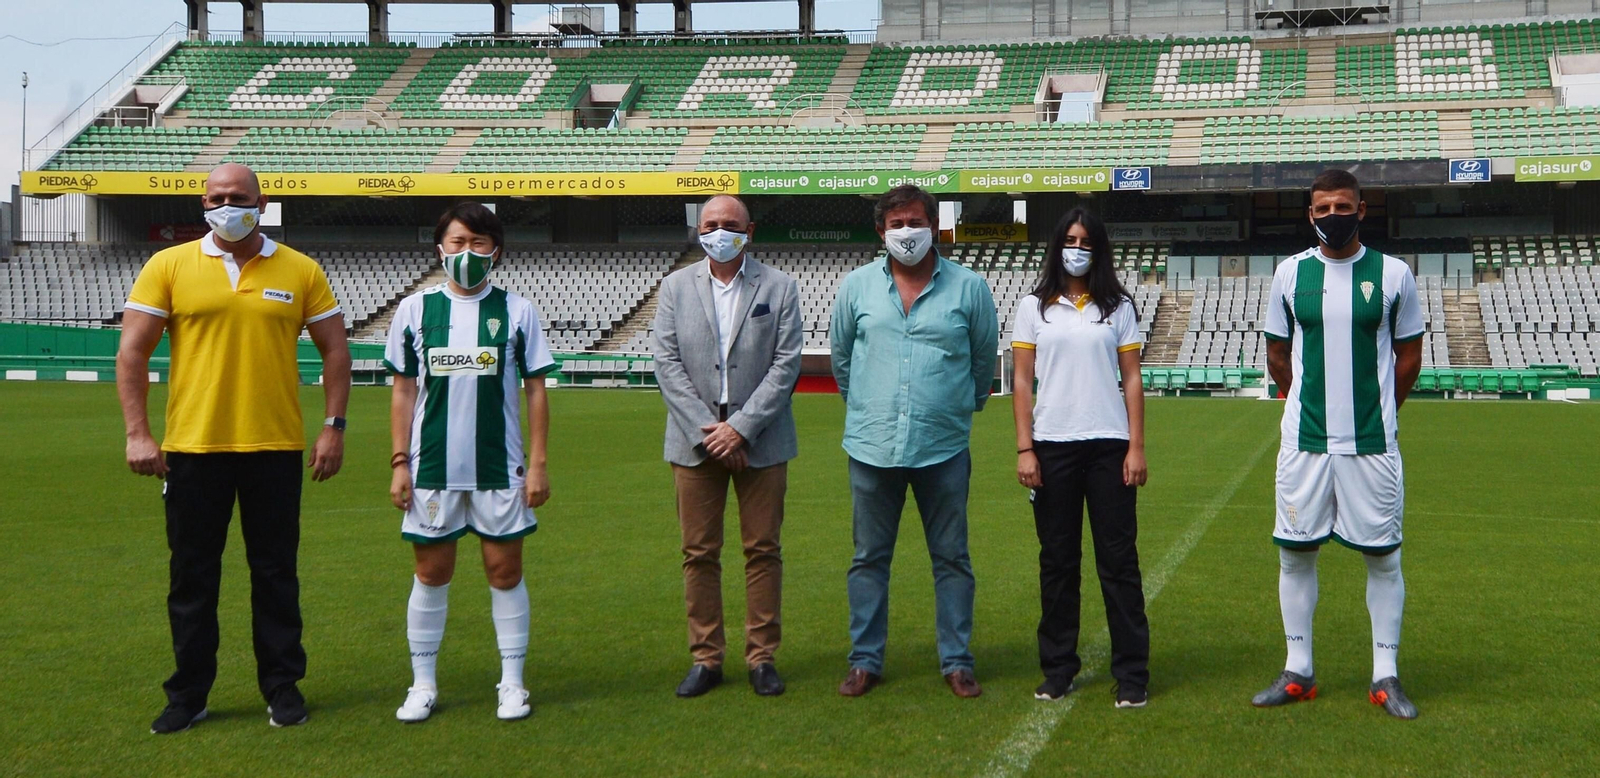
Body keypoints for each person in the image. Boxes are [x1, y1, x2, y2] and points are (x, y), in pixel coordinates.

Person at [118, 162, 351, 734]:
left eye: (238, 196)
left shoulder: (300, 270)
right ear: (203, 203)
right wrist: (138, 433)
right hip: (193, 449)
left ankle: (282, 687)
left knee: (275, 573)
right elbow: (132, 354)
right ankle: (188, 694)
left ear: (261, 201)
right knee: (192, 576)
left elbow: (336, 352)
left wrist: (334, 426)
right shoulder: (168, 266)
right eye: (217, 196)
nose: (228, 205)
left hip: (274, 446)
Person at [1253, 169, 1424, 719]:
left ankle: (1385, 675)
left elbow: (1409, 358)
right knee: (1296, 552)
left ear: (1361, 208)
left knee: (1384, 560)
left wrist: (1378, 413)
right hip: (1304, 442)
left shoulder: (1394, 275)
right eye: (1322, 208)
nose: (1333, 216)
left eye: (1342, 206)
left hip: (1372, 444)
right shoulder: (1289, 274)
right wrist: (1303, 404)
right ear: (1310, 214)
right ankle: (1298, 670)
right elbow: (1278, 355)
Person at [385, 202, 556, 723]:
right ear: (440, 248)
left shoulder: (519, 311)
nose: (466, 252)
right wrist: (398, 462)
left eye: (477, 243)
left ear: (495, 251)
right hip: (431, 467)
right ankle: (423, 683)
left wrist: (540, 462)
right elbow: (403, 390)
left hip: (499, 468)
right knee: (430, 572)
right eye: (457, 242)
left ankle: (512, 683)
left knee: (504, 571)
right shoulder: (415, 310)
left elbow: (535, 390)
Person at [830, 184, 999, 699]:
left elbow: (982, 361)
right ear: (881, 232)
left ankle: (957, 661)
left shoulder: (969, 288)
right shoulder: (855, 288)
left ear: (935, 226)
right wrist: (868, 408)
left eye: (916, 222)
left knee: (951, 558)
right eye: (897, 224)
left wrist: (950, 410)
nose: (907, 232)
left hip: (942, 446)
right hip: (872, 446)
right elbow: (842, 362)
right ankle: (864, 661)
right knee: (868, 558)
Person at [651, 194, 802, 698]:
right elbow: (666, 365)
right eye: (711, 223)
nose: (719, 231)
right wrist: (710, 431)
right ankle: (706, 658)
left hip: (761, 438)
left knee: (763, 550)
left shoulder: (779, 287)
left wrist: (740, 428)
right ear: (699, 229)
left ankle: (762, 657)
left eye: (730, 224)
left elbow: (785, 366)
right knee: (699, 553)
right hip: (695, 442)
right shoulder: (674, 287)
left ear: (749, 230)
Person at [1011, 208, 1151, 708]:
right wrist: (1025, 447)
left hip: (1110, 446)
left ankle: (1132, 674)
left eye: (1086, 241)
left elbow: (1132, 379)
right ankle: (1058, 669)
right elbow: (1022, 381)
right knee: (1058, 563)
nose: (1077, 248)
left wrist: (1136, 446)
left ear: (1099, 249)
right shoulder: (1033, 307)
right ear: (1056, 245)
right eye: (1070, 239)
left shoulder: (1117, 307)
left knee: (1119, 564)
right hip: (1052, 448)